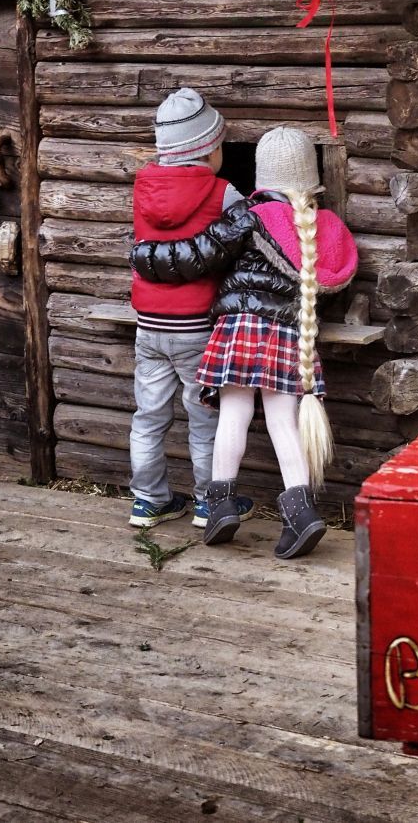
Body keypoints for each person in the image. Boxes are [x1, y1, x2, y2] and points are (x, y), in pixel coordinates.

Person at [130, 126, 358, 559]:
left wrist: (143, 255)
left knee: (232, 416)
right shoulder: (325, 227)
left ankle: (220, 508)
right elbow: (337, 280)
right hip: (293, 334)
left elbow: (196, 256)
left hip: (240, 331)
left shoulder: (249, 216)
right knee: (284, 424)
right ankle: (302, 511)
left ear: (261, 177)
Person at [128, 88, 254, 531]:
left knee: (149, 415)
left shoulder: (143, 188)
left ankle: (148, 500)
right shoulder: (224, 193)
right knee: (205, 417)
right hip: (198, 326)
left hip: (148, 326)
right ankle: (207, 502)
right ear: (207, 149)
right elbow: (249, 246)